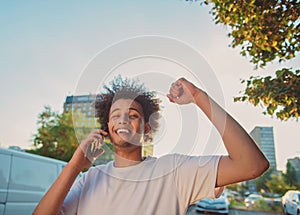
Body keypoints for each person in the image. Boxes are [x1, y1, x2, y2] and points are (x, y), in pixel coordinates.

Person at [33, 76, 269, 215]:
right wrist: (75, 165)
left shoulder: (174, 171)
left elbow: (252, 165)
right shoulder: (89, 179)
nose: (123, 119)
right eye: (116, 115)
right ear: (108, 127)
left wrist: (198, 96)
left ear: (146, 129)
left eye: (133, 115)